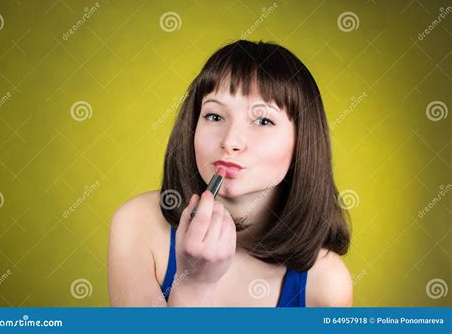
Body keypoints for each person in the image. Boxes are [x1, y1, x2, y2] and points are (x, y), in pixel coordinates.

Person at [108, 40, 353, 307]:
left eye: (263, 121)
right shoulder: (139, 223)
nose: (230, 141)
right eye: (214, 116)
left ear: (303, 141)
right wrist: (193, 285)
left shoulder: (327, 285)